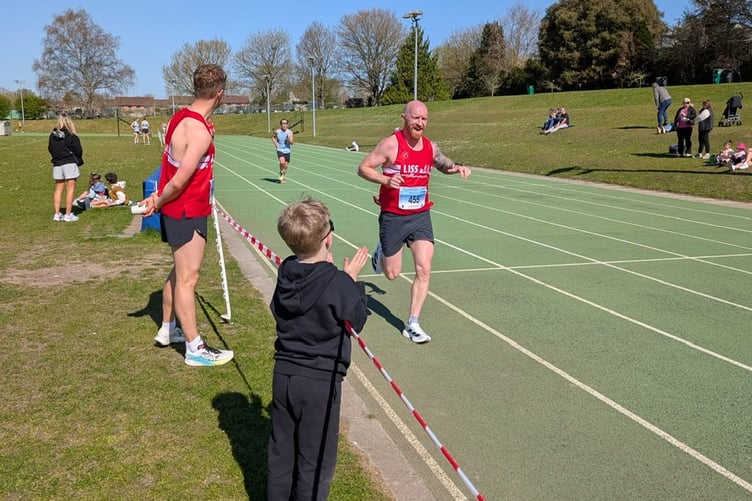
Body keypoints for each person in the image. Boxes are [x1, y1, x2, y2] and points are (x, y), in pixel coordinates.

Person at [267, 197, 369, 500]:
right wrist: (351, 281)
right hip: (319, 383)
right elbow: (357, 318)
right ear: (329, 239)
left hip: (284, 375)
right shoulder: (337, 282)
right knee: (316, 459)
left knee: (281, 452)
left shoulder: (286, 272)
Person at [136, 63, 233, 366]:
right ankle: (195, 348)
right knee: (189, 278)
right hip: (186, 210)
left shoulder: (180, 117)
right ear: (220, 94)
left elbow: (172, 169)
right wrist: (158, 201)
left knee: (179, 272)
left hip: (178, 207)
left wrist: (157, 198)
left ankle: (168, 329)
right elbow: (178, 181)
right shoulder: (199, 131)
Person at [357, 100, 471, 343]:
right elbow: (363, 168)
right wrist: (385, 181)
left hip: (420, 215)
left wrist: (458, 168)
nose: (420, 123)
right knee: (392, 274)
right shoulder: (390, 144)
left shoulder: (430, 147)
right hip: (394, 216)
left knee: (424, 268)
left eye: (424, 119)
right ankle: (382, 251)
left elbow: (443, 165)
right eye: (415, 118)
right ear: (404, 118)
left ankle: (413, 323)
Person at [49, 113, 83, 222]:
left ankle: (57, 213)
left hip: (57, 164)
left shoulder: (52, 136)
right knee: (70, 188)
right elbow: (79, 150)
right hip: (69, 163)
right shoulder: (72, 135)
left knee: (58, 189)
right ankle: (68, 215)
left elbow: (50, 149)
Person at [272, 118, 294, 184]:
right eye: (283, 124)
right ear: (281, 125)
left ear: (287, 125)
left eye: (285, 124)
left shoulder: (290, 132)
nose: (284, 125)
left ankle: (281, 176)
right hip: (280, 149)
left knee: (285, 166)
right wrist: (276, 144)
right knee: (282, 162)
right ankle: (281, 178)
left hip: (287, 150)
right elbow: (273, 137)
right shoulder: (277, 131)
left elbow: (292, 143)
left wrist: (288, 139)